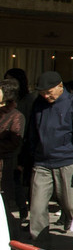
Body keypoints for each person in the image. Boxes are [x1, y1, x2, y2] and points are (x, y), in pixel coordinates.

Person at [24, 71, 73, 240]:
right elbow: (32, 132)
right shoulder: (38, 104)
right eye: (42, 92)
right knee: (37, 208)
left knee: (72, 206)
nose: (46, 96)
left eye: (49, 92)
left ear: (60, 86)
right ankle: (41, 248)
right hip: (42, 163)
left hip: (68, 161)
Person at [0, 78, 23, 225]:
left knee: (4, 201)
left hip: (6, 163)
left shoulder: (16, 116)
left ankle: (11, 231)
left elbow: (15, 142)